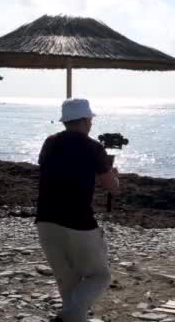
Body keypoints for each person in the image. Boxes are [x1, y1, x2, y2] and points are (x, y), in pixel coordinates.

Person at [36, 98, 120, 322]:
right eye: (90, 118)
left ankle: (75, 318)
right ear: (84, 120)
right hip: (78, 220)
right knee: (100, 276)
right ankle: (67, 317)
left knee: (67, 278)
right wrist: (113, 175)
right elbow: (111, 186)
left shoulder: (50, 142)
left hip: (44, 218)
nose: (91, 122)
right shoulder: (92, 147)